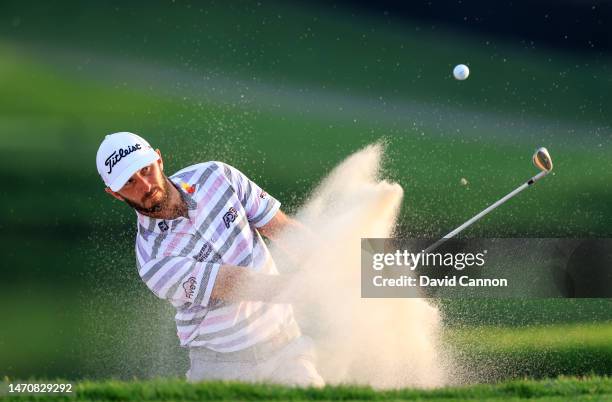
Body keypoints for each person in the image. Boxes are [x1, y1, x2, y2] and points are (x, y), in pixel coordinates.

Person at [96, 131, 324, 387]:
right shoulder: (153, 260)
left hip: (285, 346)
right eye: (129, 182)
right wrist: (318, 287)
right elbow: (237, 283)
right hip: (223, 367)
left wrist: (334, 264)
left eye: (145, 170)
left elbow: (282, 229)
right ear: (115, 194)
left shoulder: (217, 176)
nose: (145, 186)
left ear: (158, 160)